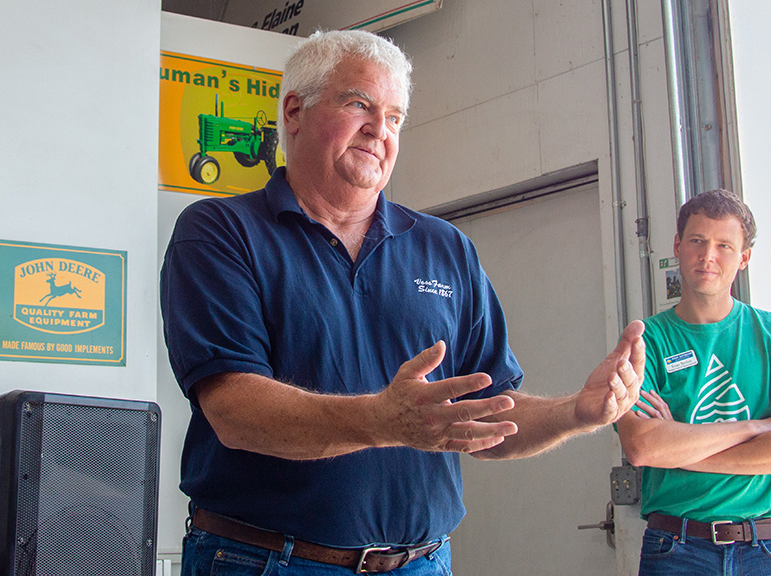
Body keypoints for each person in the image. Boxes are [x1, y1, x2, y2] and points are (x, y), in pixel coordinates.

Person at [160, 29, 646, 576]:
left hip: (421, 563)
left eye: (394, 117)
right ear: (293, 111)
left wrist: (576, 413)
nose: (379, 130)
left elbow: (486, 417)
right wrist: (381, 421)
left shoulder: (445, 247)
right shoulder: (221, 232)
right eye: (359, 104)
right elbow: (235, 413)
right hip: (264, 561)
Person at [615, 189, 771, 576]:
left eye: (724, 245)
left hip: (770, 548)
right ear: (677, 246)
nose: (708, 255)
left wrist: (682, 446)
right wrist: (757, 427)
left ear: (743, 258)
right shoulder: (645, 341)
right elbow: (642, 446)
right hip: (676, 549)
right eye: (697, 241)